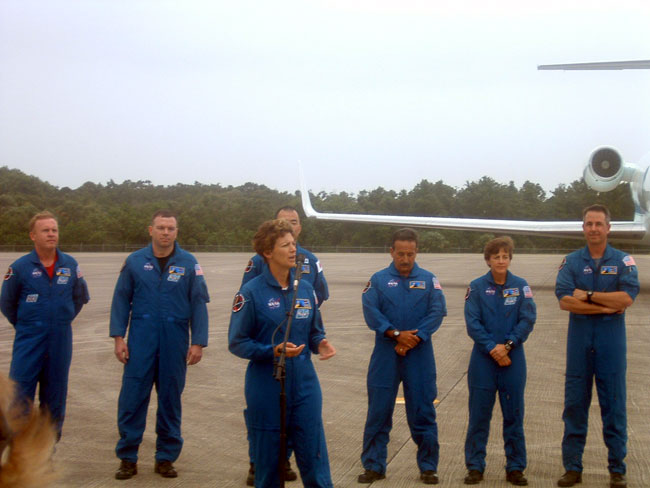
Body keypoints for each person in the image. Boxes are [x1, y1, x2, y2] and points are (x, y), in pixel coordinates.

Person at [229, 219, 336, 488]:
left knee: (315, 459)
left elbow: (314, 331)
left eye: (294, 244)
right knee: (268, 467)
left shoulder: (307, 289)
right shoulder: (250, 293)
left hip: (305, 384)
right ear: (267, 252)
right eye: (285, 245)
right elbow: (237, 342)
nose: (293, 250)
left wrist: (320, 342)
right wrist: (270, 351)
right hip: (266, 385)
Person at [110, 210, 210, 480]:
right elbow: (121, 299)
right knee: (132, 399)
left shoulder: (189, 263)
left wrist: (198, 342)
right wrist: (119, 337)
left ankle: (165, 457)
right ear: (150, 230)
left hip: (174, 340)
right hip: (141, 339)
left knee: (170, 400)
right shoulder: (134, 262)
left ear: (177, 232)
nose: (166, 232)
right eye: (161, 227)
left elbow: (199, 304)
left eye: (171, 228)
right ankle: (128, 458)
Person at [554, 204, 638, 488]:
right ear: (583, 228)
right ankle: (573, 468)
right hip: (579, 347)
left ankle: (617, 469)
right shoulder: (571, 262)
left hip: (611, 347)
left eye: (598, 224)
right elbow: (565, 300)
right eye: (588, 224)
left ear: (608, 228)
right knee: (575, 407)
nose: (593, 229)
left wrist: (588, 297)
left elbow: (626, 300)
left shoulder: (624, 261)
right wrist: (605, 305)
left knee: (614, 408)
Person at [358, 228, 446, 485]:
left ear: (416, 251)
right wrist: (396, 334)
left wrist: (414, 338)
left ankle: (428, 467)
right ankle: (374, 465)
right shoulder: (378, 280)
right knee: (378, 411)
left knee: (423, 411)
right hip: (386, 354)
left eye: (410, 253)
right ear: (391, 251)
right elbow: (371, 311)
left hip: (419, 354)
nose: (405, 259)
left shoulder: (430, 281)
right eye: (400, 253)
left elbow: (437, 312)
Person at [0, 211, 89, 440]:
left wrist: (62, 318)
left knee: (55, 398)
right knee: (20, 397)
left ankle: (46, 452)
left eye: (54, 230)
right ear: (33, 235)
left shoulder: (69, 265)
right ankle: (19, 452)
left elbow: (79, 298)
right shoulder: (19, 268)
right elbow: (7, 303)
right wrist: (28, 325)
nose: (51, 234)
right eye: (45, 230)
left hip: (60, 339)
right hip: (29, 339)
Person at [463, 236, 536, 486]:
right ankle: (475, 466)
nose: (501, 261)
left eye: (505, 256)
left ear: (510, 259)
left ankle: (515, 467)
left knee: (514, 415)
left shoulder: (522, 286)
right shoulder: (476, 287)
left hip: (512, 359)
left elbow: (527, 320)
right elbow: (472, 322)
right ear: (488, 260)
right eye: (496, 257)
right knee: (479, 416)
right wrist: (491, 348)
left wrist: (507, 346)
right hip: (483, 361)